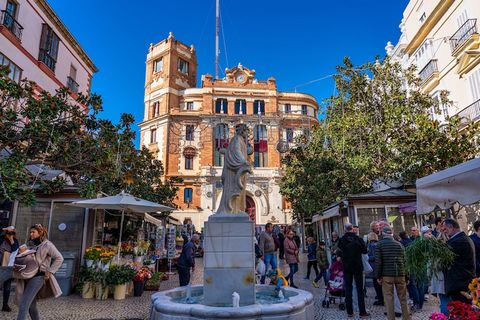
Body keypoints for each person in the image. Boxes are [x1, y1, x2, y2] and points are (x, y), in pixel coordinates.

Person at [16, 224, 63, 320]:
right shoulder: (30, 244)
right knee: (31, 306)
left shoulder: (47, 245)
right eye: (30, 232)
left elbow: (59, 258)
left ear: (40, 233)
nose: (31, 234)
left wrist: (49, 271)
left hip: (38, 277)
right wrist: (20, 252)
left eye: (33, 232)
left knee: (24, 304)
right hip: (27, 276)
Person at [375, 226, 410, 320]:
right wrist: (407, 276)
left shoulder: (379, 244)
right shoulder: (399, 244)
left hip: (387, 275)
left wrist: (378, 276)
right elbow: (405, 261)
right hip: (400, 274)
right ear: (392, 234)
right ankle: (407, 318)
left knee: (388, 299)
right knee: (403, 298)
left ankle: (391, 318)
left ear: (383, 234)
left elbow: (378, 262)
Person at [338, 223, 370, 318]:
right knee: (360, 289)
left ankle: (350, 312)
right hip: (357, 266)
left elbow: (339, 251)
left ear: (345, 229)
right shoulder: (358, 239)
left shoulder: (342, 240)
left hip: (347, 266)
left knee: (348, 288)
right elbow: (365, 251)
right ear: (352, 229)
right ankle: (362, 312)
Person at [444, 218, 475, 304]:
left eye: (445, 229)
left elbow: (446, 260)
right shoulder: (463, 238)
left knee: (462, 310)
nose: (444, 231)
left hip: (459, 283)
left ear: (452, 228)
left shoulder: (458, 241)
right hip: (463, 281)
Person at [429, 225, 450, 315]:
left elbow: (431, 266)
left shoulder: (435, 250)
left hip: (439, 278)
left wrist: (429, 277)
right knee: (448, 301)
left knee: (443, 301)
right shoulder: (450, 247)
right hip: (448, 278)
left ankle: (445, 317)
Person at [0, 226, 19, 312]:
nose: (9, 234)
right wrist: (4, 229)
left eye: (12, 233)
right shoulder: (1, 239)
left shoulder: (15, 241)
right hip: (0, 265)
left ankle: (5, 305)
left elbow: (15, 250)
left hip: (8, 267)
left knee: (7, 287)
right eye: (8, 233)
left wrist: (11, 240)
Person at [367, 232, 384, 306]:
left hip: (374, 267)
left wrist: (367, 258)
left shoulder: (372, 245)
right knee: (379, 284)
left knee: (377, 284)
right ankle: (381, 298)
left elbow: (374, 256)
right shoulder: (378, 244)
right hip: (378, 266)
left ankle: (380, 300)